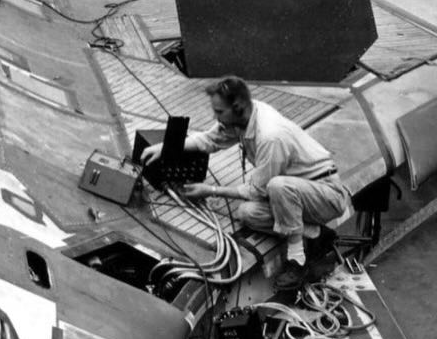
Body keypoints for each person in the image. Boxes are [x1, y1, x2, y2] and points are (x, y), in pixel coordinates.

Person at [141, 75, 349, 290]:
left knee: (277, 186)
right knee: (247, 214)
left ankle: (298, 260)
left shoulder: (270, 136)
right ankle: (316, 234)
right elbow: (210, 140)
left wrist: (210, 190)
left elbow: (257, 190)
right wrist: (166, 147)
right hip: (295, 195)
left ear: (238, 107)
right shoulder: (245, 116)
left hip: (326, 194)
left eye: (219, 112)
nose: (215, 116)